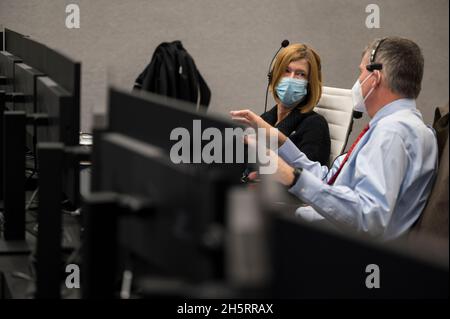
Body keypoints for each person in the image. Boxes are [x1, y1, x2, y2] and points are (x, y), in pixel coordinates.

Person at [232, 37, 438, 240]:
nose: (357, 82)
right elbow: (330, 179)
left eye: (360, 72)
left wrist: (293, 178)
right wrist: (281, 141)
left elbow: (368, 220)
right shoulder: (405, 127)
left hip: (333, 247)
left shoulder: (392, 133)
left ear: (374, 78)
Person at [233, 43, 330, 181]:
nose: (291, 78)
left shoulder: (315, 124)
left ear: (309, 82)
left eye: (300, 74)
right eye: (286, 70)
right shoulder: (265, 119)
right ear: (274, 75)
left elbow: (308, 182)